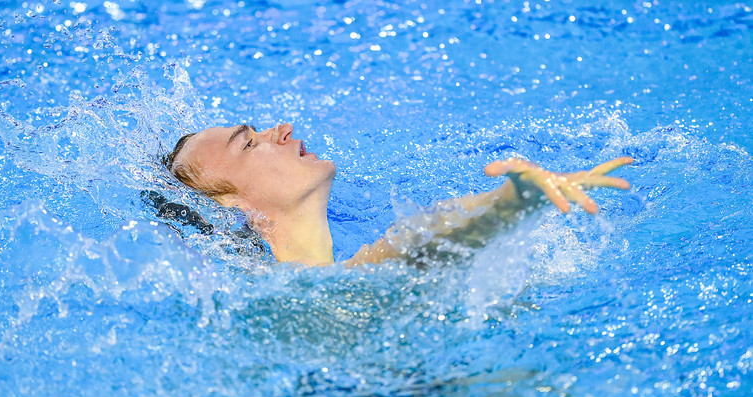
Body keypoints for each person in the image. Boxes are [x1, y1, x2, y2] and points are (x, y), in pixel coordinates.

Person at [165, 123, 632, 267]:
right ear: (234, 207)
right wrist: (509, 202)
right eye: (248, 143)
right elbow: (417, 247)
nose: (280, 128)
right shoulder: (308, 297)